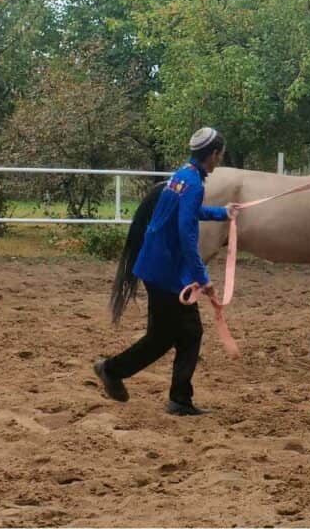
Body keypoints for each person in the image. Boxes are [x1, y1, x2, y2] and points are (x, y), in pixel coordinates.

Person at [93, 127, 237, 415]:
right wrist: (202, 278)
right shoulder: (194, 183)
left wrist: (223, 213)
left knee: (178, 334)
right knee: (175, 335)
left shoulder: (181, 176)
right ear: (213, 154)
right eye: (219, 156)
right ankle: (115, 371)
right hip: (167, 272)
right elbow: (186, 232)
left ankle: (175, 396)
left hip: (157, 266)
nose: (218, 161)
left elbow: (186, 212)